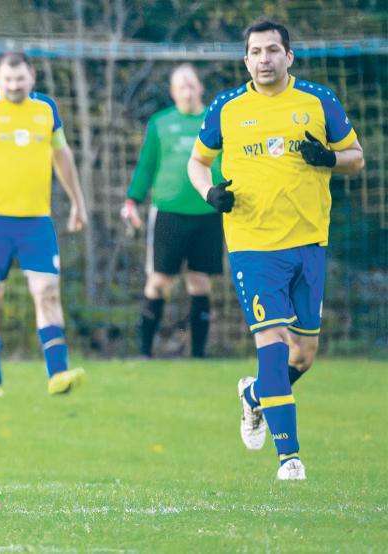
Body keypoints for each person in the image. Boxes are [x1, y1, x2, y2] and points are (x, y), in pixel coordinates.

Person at [187, 20, 364, 480]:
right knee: (271, 341)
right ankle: (290, 459)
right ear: (245, 60)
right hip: (252, 244)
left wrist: (328, 158)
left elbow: (356, 157)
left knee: (303, 354)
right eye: (255, 52)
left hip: (308, 242)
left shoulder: (318, 101)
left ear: (289, 57)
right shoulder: (226, 107)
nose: (264, 59)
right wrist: (209, 193)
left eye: (272, 50)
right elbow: (197, 162)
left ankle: (254, 397)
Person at [0, 51, 88, 397]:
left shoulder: (46, 110)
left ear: (32, 77)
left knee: (47, 292)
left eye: (20, 79)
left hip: (36, 222)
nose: (13, 85)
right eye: (7, 80)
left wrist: (77, 202)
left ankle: (58, 374)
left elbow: (62, 156)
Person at [121, 64, 225, 358]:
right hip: (169, 212)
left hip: (207, 213)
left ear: (200, 88)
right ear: (173, 92)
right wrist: (132, 200)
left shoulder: (215, 120)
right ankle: (144, 352)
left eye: (192, 85)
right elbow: (146, 166)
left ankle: (199, 356)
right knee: (159, 280)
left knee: (200, 281)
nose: (188, 92)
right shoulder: (160, 123)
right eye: (181, 86)